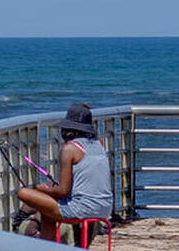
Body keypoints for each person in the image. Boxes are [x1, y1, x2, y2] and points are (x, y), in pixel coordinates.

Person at [16, 103, 113, 242]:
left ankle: (47, 249)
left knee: (23, 193)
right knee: (47, 213)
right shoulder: (100, 143)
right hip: (105, 208)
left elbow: (63, 191)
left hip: (81, 209)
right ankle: (52, 246)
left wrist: (42, 188)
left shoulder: (69, 149)